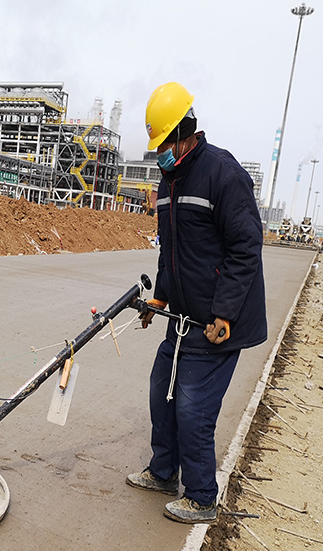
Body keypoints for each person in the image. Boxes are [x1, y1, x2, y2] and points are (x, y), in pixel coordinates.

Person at [127, 82, 267, 524]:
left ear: (185, 132)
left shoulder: (222, 173)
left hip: (218, 321)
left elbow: (246, 247)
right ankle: (164, 471)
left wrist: (224, 311)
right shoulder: (170, 183)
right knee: (160, 391)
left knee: (192, 405)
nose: (160, 154)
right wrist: (160, 297)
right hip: (183, 316)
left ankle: (203, 495)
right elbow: (171, 251)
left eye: (164, 144)